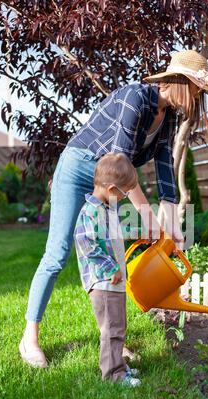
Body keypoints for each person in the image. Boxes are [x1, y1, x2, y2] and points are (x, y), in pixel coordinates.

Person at [19, 49, 208, 368]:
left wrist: (172, 226)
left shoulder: (168, 116)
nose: (198, 97)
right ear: (179, 81)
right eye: (196, 89)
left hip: (113, 179)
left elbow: (164, 169)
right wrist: (148, 217)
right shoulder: (136, 98)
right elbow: (119, 165)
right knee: (57, 252)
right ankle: (29, 338)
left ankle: (111, 340)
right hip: (80, 170)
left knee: (113, 258)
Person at [74, 152, 141, 386]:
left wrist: (134, 235)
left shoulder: (105, 208)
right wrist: (110, 267)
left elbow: (110, 239)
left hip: (113, 282)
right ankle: (113, 375)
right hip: (104, 283)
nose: (123, 199)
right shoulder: (91, 211)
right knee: (111, 330)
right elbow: (85, 243)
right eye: (123, 194)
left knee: (118, 327)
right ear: (112, 189)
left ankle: (119, 367)